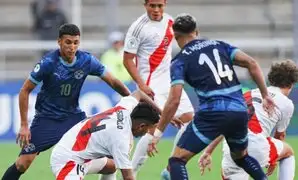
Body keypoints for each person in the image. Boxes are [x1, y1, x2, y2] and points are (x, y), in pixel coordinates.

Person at [148, 14, 275, 180]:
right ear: (197, 31)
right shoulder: (220, 45)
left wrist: (157, 134)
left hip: (213, 112)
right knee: (242, 157)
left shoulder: (180, 61)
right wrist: (265, 95)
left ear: (176, 37)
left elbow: (174, 100)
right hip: (239, 109)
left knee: (176, 160)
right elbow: (252, 63)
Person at [1, 24, 131, 180]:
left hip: (73, 118)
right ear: (59, 42)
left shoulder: (86, 60)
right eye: (68, 42)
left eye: (76, 42)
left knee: (109, 161)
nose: (72, 47)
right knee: (23, 163)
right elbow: (24, 90)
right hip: (46, 119)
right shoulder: (48, 63)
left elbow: (113, 81)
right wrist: (23, 125)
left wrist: (131, 99)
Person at [123, 0, 194, 178]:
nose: (156, 10)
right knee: (154, 128)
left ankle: (171, 169)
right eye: (152, 5)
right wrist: (141, 84)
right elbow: (127, 60)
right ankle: (132, 173)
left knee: (189, 121)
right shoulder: (138, 27)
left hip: (170, 82)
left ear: (165, 4)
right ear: (145, 5)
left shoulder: (170, 22)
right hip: (150, 84)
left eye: (159, 6)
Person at [199, 60, 297, 180]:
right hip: (257, 146)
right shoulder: (286, 103)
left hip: (232, 149)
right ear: (292, 84)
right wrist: (273, 160)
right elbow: (280, 136)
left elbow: (226, 125)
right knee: (288, 153)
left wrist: (208, 151)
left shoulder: (248, 94)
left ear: (271, 79)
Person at [50, 90, 160, 180]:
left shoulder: (125, 109)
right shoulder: (121, 139)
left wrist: (162, 112)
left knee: (112, 166)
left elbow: (139, 93)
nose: (146, 133)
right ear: (141, 126)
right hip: (67, 161)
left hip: (80, 154)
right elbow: (128, 177)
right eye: (148, 129)